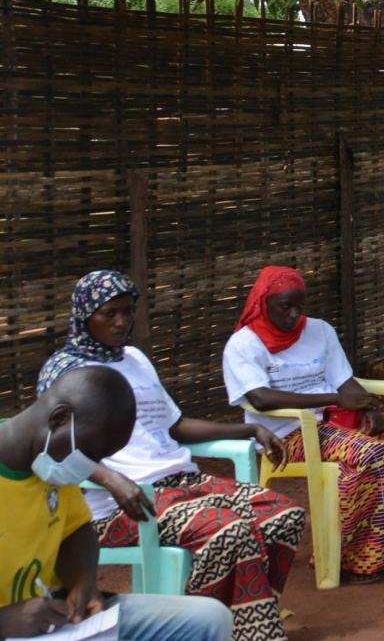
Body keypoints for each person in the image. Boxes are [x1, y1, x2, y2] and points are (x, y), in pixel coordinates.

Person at [36, 271, 305, 641]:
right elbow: (53, 448)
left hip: (181, 483)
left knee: (282, 516)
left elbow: (175, 425)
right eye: (109, 313)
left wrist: (246, 428)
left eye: (127, 312)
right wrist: (111, 479)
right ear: (85, 316)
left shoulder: (133, 358)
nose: (121, 322)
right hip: (122, 504)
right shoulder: (65, 373)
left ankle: (238, 626)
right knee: (228, 532)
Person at [221, 266, 384, 584]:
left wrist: (367, 407)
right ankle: (347, 558)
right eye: (284, 307)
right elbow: (260, 399)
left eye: (299, 305)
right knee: (368, 454)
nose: (293, 315)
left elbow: (346, 383)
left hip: (335, 423)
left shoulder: (320, 331)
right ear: (263, 303)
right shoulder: (244, 345)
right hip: (287, 434)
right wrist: (331, 400)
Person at [2, 365, 235, 641]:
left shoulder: (47, 467)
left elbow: (75, 530)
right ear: (60, 418)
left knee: (208, 619)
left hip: (50, 623)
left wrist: (83, 581)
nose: (89, 467)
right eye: (88, 453)